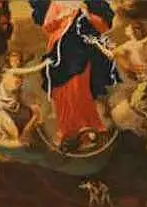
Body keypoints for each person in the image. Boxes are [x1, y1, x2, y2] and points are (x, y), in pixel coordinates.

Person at [29, 0, 121, 151]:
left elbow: (101, 27)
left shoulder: (85, 3)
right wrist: (62, 17)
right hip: (60, 53)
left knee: (79, 90)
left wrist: (87, 14)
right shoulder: (57, 3)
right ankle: (68, 131)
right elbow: (47, 26)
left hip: (80, 54)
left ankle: (87, 128)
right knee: (61, 93)